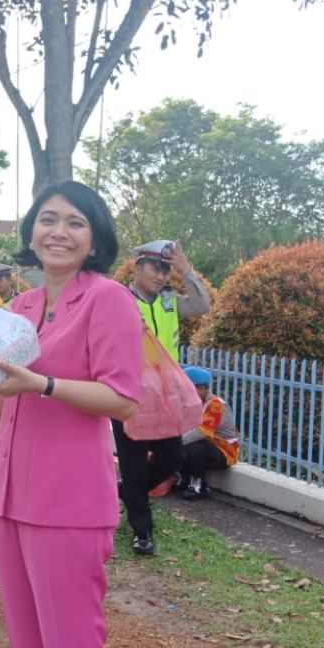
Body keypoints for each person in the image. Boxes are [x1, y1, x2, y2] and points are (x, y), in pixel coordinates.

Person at [0, 180, 141, 648]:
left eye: (74, 222)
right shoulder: (21, 303)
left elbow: (122, 399)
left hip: (68, 504)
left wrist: (42, 384)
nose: (58, 232)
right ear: (31, 230)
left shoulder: (109, 300)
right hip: (8, 496)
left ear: (95, 239)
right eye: (48, 219)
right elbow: (0, 385)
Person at [115, 238, 211, 556]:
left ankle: (129, 492)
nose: (160, 276)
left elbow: (201, 306)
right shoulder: (120, 301)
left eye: (165, 270)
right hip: (130, 394)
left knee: (171, 456)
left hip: (165, 396)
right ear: (138, 267)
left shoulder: (169, 300)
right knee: (132, 461)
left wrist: (185, 269)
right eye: (155, 268)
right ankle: (142, 532)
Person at [179, 366, 240, 500]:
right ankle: (185, 480)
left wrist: (175, 442)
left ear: (201, 388)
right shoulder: (194, 402)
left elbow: (202, 432)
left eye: (188, 388)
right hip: (207, 445)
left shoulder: (216, 405)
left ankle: (198, 486)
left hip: (224, 450)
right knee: (180, 445)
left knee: (190, 447)